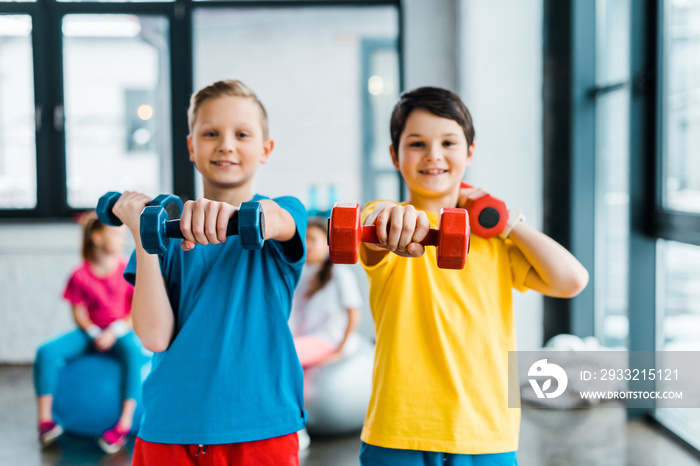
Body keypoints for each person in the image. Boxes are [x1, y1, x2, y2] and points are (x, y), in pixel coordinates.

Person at [357, 87, 589, 466]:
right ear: (394, 156)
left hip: (484, 432)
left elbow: (572, 280)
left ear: (470, 153)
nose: (433, 155)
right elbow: (375, 219)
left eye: (448, 142)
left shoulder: (495, 241)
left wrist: (504, 220)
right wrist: (388, 214)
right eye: (417, 144)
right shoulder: (391, 224)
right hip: (399, 428)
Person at [112, 79, 307, 466]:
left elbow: (278, 220)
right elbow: (154, 335)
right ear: (191, 146)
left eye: (242, 134)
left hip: (260, 427)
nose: (226, 145)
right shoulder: (164, 230)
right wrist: (141, 233)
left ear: (266, 149)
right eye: (211, 133)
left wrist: (237, 215)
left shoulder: (282, 212)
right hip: (169, 426)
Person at [34, 211, 141, 454]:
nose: (123, 240)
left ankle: (123, 425)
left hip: (119, 332)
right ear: (96, 237)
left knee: (134, 354)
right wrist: (94, 333)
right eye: (116, 234)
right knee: (46, 352)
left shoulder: (127, 269)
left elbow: (135, 311)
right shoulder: (79, 274)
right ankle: (45, 422)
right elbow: (79, 314)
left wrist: (113, 333)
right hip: (90, 333)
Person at [290, 217, 362, 369]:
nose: (307, 244)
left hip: (326, 339)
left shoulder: (339, 273)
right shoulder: (301, 273)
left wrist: (340, 350)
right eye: (305, 239)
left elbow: (354, 315)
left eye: (313, 239)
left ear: (327, 243)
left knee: (284, 353)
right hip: (304, 338)